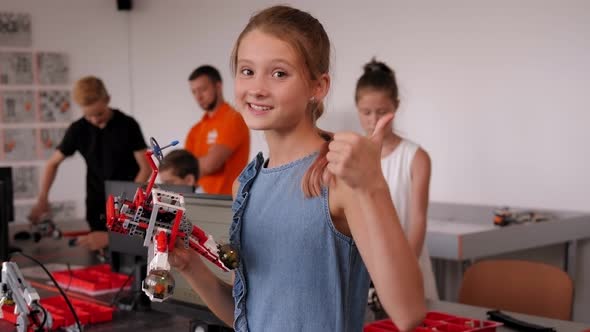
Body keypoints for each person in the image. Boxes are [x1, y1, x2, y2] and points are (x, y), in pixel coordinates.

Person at [168, 5, 426, 332]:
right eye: (247, 71)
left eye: (279, 73)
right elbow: (247, 314)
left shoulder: (338, 178)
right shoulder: (246, 185)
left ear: (318, 86)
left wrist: (372, 184)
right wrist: (192, 266)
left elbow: (409, 312)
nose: (257, 88)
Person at [29, 76, 151, 250]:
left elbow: (145, 168)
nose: (95, 120)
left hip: (128, 203)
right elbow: (52, 164)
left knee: (128, 253)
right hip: (96, 204)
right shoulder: (78, 130)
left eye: (99, 114)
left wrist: (128, 205)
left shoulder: (128, 125)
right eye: (88, 115)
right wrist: (42, 199)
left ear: (107, 100)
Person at [355, 59, 439, 301]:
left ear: (396, 107)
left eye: (382, 112)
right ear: (357, 108)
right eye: (366, 112)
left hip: (409, 270)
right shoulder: (351, 155)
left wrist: (404, 272)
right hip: (365, 276)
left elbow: (418, 221)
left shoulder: (416, 158)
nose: (374, 121)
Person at [184, 65, 250, 195]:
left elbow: (211, 165)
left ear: (218, 86)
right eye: (194, 91)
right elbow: (184, 168)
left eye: (203, 89)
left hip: (225, 203)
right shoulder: (196, 129)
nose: (198, 97)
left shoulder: (233, 119)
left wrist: (193, 165)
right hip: (198, 201)